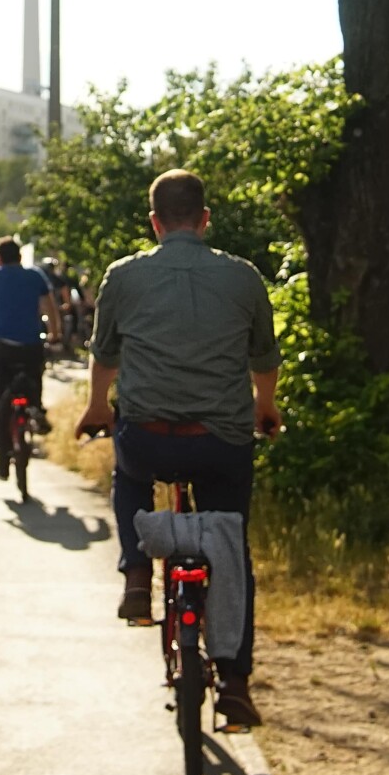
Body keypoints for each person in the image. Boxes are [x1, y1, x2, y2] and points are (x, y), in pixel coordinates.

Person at [77, 170, 281, 731]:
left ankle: (138, 576)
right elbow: (263, 360)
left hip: (148, 437)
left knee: (130, 473)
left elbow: (105, 353)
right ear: (206, 219)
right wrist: (265, 406)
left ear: (154, 222)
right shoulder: (243, 278)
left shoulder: (124, 276)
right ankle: (235, 685)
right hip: (220, 444)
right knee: (232, 549)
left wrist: (98, 405)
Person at [0, 237, 57, 475]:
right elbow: (51, 309)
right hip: (31, 347)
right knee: (34, 380)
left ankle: (2, 463)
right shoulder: (36, 276)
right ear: (20, 256)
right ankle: (36, 408)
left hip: (2, 348)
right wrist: (55, 335)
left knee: (0, 404)